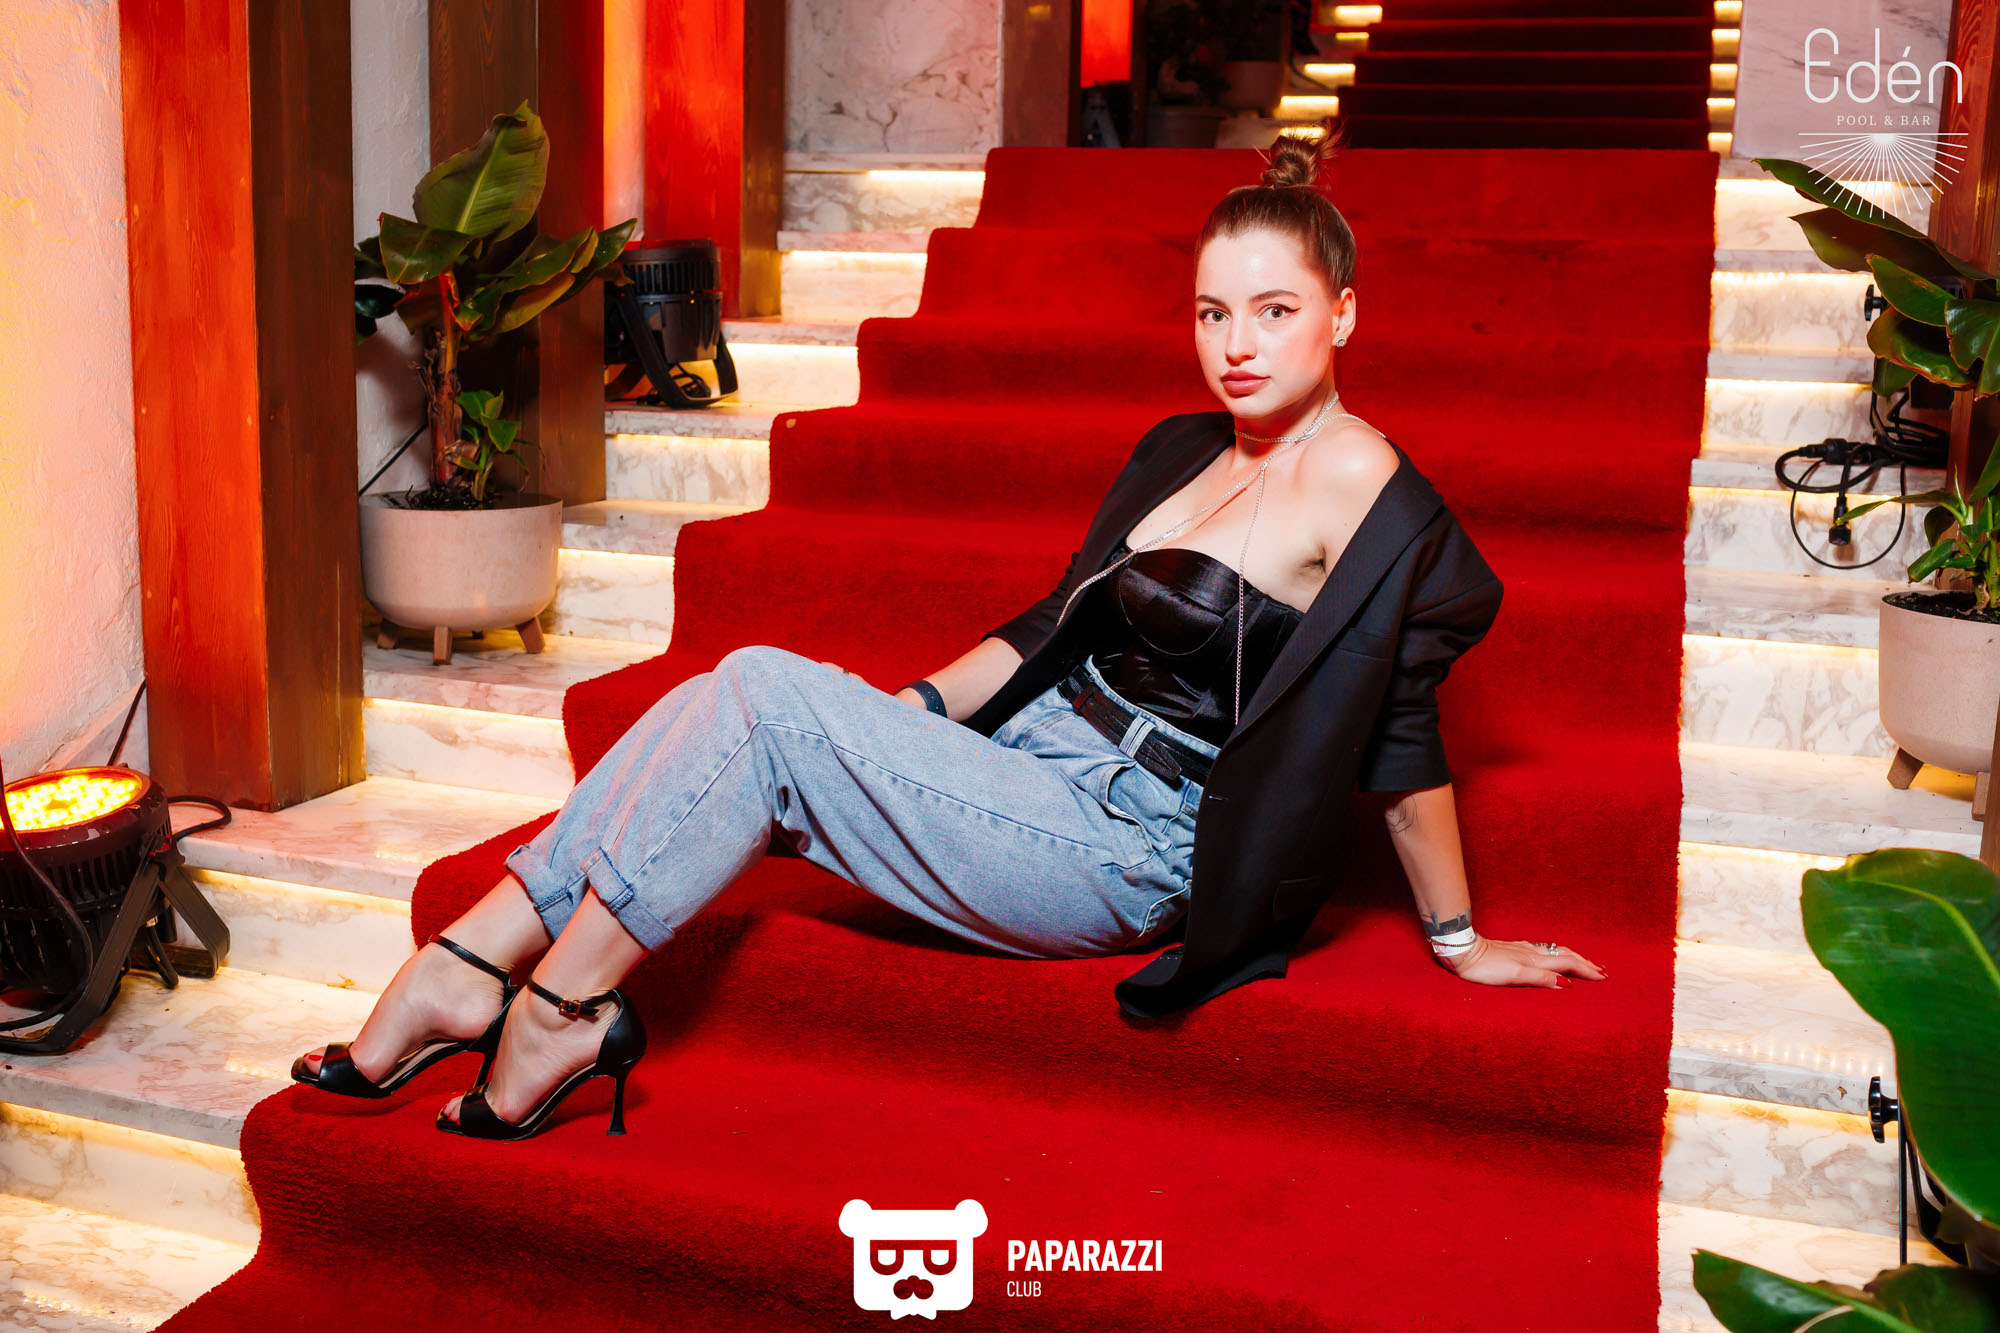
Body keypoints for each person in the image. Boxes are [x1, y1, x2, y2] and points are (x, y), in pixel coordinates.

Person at [293, 117, 1605, 1142]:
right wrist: (902, 717)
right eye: (1214, 313)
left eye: (1276, 312)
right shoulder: (1179, 447)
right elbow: (1048, 631)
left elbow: (1400, 727)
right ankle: (474, 962)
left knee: (759, 694)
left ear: (1344, 313)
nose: (1238, 346)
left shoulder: (1371, 489)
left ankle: (555, 1004)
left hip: (1132, 839)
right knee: (733, 695)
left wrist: (1458, 941)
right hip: (1026, 758)